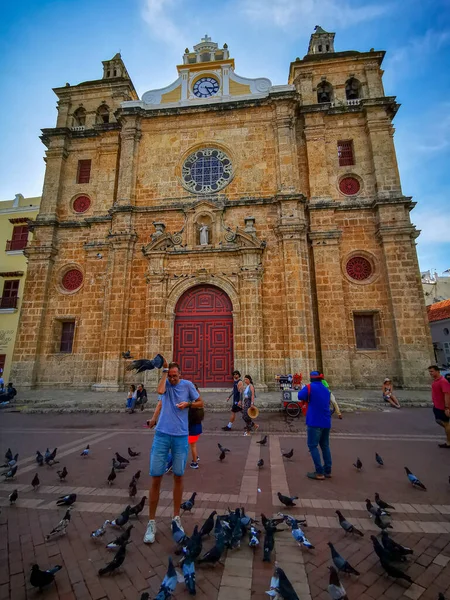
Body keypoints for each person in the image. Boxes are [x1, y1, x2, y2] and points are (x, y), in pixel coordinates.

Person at [144, 359, 202, 544]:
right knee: (156, 477)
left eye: (175, 376)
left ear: (181, 375)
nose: (173, 379)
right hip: (162, 435)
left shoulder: (187, 386)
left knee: (178, 476)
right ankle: (151, 522)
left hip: (180, 436)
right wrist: (164, 373)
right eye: (170, 376)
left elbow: (200, 402)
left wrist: (188, 404)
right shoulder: (165, 385)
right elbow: (160, 396)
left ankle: (176, 517)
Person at [298, 370, 333, 480]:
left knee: (313, 446)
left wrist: (303, 388)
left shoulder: (310, 387)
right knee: (325, 446)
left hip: (314, 422)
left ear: (312, 378)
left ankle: (319, 472)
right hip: (326, 422)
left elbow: (300, 396)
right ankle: (327, 470)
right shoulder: (326, 389)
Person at [428, 365, 450, 448]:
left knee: (446, 424)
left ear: (438, 371)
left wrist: (447, 407)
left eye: (432, 371)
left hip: (443, 407)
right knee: (438, 420)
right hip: (437, 406)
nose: (430, 373)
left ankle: (449, 442)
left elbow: (447, 394)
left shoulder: (443, 381)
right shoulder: (435, 381)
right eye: (430, 372)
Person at [188, 384, 204, 469]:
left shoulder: (193, 404)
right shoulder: (199, 403)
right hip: (198, 427)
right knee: (193, 445)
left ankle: (195, 463)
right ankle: (196, 457)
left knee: (192, 446)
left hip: (192, 428)